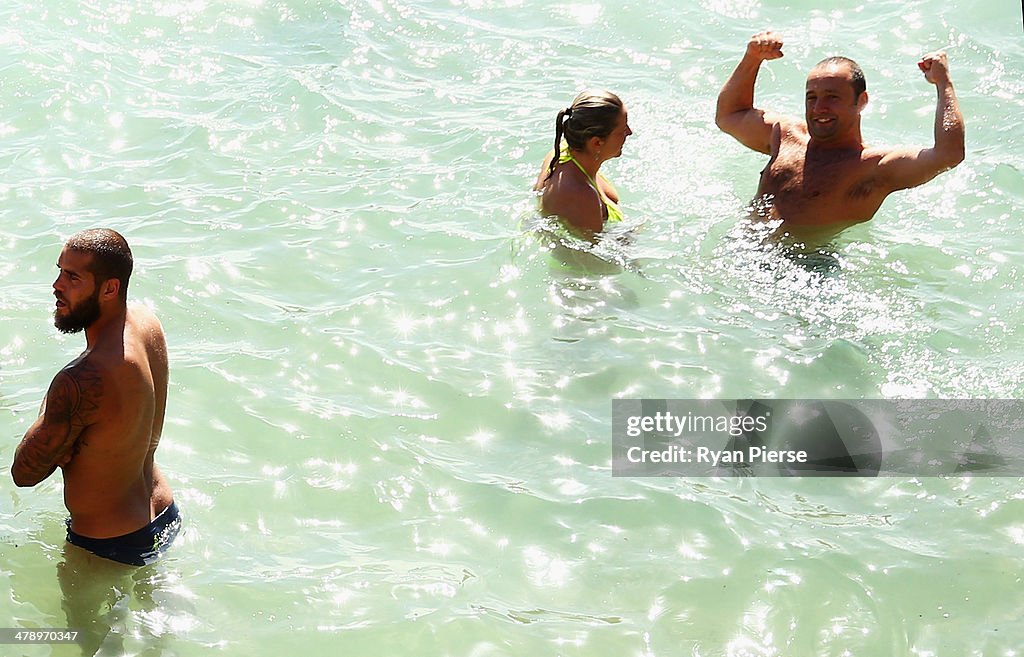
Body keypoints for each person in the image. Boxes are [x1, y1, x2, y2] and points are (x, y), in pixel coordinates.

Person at [12, 229, 180, 566]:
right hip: (163, 512)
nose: (57, 285)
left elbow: (24, 473)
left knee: (76, 622)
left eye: (73, 277)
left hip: (107, 546)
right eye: (59, 271)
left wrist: (52, 411)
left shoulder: (81, 380)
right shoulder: (147, 324)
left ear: (110, 288)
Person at [715, 30, 964, 239]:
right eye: (812, 98)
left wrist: (944, 84)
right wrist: (752, 58)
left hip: (807, 269)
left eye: (832, 98)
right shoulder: (785, 136)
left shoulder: (871, 168)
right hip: (742, 250)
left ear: (861, 101)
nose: (818, 108)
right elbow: (729, 116)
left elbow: (948, 155)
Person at [534, 90, 633, 235]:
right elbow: (587, 256)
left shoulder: (562, 152)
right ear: (597, 142)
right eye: (622, 130)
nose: (629, 132)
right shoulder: (580, 196)